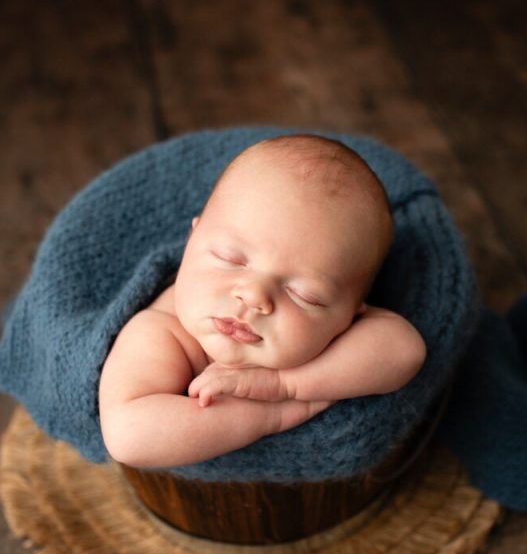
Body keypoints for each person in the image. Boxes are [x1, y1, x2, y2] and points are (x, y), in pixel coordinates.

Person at [99, 135, 427, 468]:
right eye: (230, 259)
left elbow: (405, 352)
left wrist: (285, 386)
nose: (254, 296)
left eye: (303, 295)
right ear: (191, 240)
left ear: (351, 314)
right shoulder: (163, 331)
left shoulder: (338, 334)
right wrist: (268, 415)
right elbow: (128, 435)